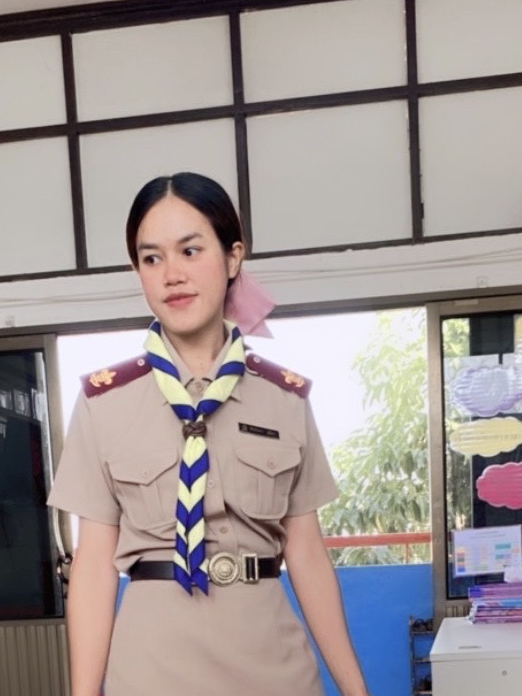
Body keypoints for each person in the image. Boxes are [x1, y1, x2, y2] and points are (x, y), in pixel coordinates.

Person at [48, 172, 370, 696]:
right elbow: (92, 569)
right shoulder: (104, 402)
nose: (172, 275)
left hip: (274, 667)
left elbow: (308, 555)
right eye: (151, 258)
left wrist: (356, 691)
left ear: (233, 257)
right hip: (152, 671)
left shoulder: (285, 398)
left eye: (190, 251)